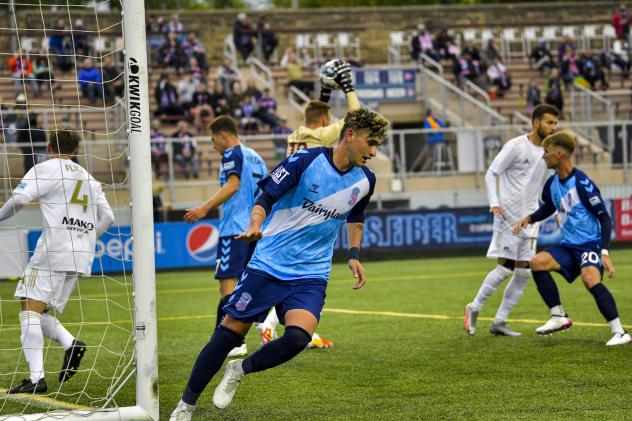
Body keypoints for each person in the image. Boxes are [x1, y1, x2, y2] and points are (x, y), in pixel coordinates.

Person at [169, 107, 388, 420]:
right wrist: (256, 223)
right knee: (230, 331)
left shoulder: (366, 179)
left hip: (312, 273)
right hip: (269, 264)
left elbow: (356, 216)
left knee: (298, 337)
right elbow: (265, 198)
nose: (374, 151)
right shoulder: (305, 161)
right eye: (371, 142)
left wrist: (354, 254)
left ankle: (239, 369)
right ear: (350, 135)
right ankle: (186, 404)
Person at [0, 128, 115, 393]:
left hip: (53, 250)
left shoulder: (47, 168)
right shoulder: (90, 179)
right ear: (75, 151)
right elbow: (107, 218)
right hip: (81, 255)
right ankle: (70, 343)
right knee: (37, 311)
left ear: (49, 147)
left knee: (28, 309)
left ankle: (36, 378)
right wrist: (85, 238)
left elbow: (19, 200)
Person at [257, 61, 358, 349]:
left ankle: (297, 329)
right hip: (312, 209)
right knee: (313, 272)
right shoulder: (325, 135)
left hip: (287, 209)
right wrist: (348, 88)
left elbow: (318, 118)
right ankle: (271, 323)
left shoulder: (297, 134)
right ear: (326, 123)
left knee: (294, 272)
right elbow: (355, 118)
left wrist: (325, 93)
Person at [513, 131, 631, 346]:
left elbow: (605, 218)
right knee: (537, 262)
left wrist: (604, 252)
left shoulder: (583, 183)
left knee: (589, 279)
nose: (543, 156)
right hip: (568, 246)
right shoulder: (551, 184)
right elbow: (549, 206)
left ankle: (620, 332)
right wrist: (530, 218)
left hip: (589, 245)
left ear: (559, 154)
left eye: (546, 152)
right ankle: (558, 316)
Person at [464, 104, 559, 337]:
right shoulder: (516, 146)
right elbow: (492, 173)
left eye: (555, 123)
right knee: (505, 268)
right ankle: (473, 307)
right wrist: (494, 202)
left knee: (524, 271)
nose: (553, 127)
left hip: (530, 219)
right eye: (549, 122)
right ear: (536, 122)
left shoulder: (548, 152)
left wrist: (551, 211)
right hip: (508, 216)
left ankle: (499, 321)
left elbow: (545, 186)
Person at [183, 115, 267, 359]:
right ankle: (255, 330)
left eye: (213, 140)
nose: (213, 145)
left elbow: (232, 185)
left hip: (234, 230)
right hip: (254, 228)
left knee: (227, 285)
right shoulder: (256, 156)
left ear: (222, 135)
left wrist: (203, 208)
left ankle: (231, 340)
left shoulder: (231, 153)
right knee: (248, 285)